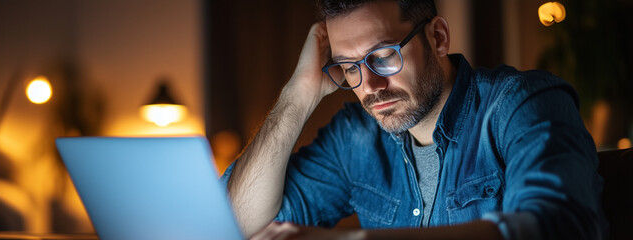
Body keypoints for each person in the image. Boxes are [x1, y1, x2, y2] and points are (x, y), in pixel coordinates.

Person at [221, 0, 607, 239]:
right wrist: (296, 95)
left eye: (384, 55)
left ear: (438, 38)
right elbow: (236, 225)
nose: (369, 86)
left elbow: (559, 226)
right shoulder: (354, 138)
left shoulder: (521, 105)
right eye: (349, 67)